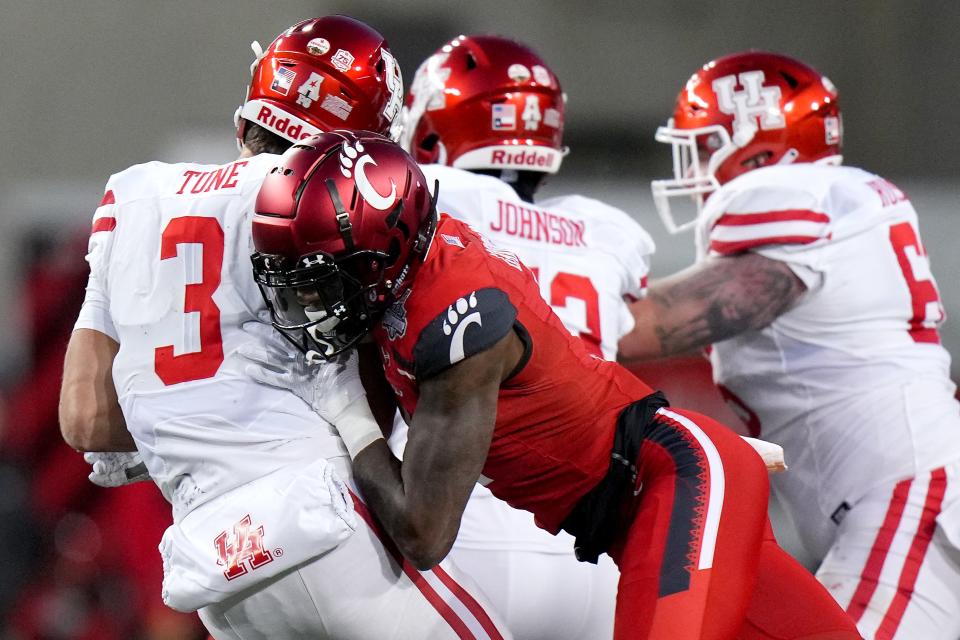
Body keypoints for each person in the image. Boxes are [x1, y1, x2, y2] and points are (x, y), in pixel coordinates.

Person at [245, 128, 861, 639]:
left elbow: (423, 532)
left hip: (671, 478)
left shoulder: (459, 323)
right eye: (291, 275)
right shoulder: (411, 275)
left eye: (322, 276)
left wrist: (349, 417)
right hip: (650, 490)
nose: (303, 297)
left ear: (388, 249)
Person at [58, 16, 509, 640]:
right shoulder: (339, 200)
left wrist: (196, 421)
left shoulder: (132, 196)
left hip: (211, 564)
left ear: (245, 122)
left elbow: (85, 420)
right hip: (322, 524)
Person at [619, 50, 960, 639]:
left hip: (908, 496)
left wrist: (543, 299)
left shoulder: (794, 195)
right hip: (896, 498)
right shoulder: (844, 201)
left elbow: (655, 325)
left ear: (758, 145)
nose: (697, 167)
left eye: (704, 146)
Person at [391, 34, 651, 638]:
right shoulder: (599, 232)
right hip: (596, 541)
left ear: (430, 127)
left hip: (467, 518)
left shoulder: (429, 198)